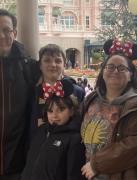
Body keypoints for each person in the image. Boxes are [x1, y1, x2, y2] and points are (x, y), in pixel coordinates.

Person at [81, 39, 137, 180]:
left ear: (130, 75)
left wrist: (97, 164)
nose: (115, 71)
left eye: (122, 68)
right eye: (110, 67)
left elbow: (136, 146)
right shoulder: (91, 99)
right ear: (103, 72)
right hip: (88, 173)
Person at [0, 9, 39, 180]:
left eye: (6, 30)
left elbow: (55, 81)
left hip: (17, 163)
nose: (1, 36)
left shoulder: (29, 67)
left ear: (14, 33)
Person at [21, 79, 85, 180]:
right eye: (50, 111)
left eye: (61, 109)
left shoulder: (74, 139)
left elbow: (74, 175)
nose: (54, 115)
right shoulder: (41, 130)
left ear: (71, 111)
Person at [32, 44, 85, 130]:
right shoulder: (31, 92)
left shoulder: (78, 92)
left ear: (64, 64)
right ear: (40, 65)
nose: (53, 65)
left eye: (58, 61)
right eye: (47, 60)